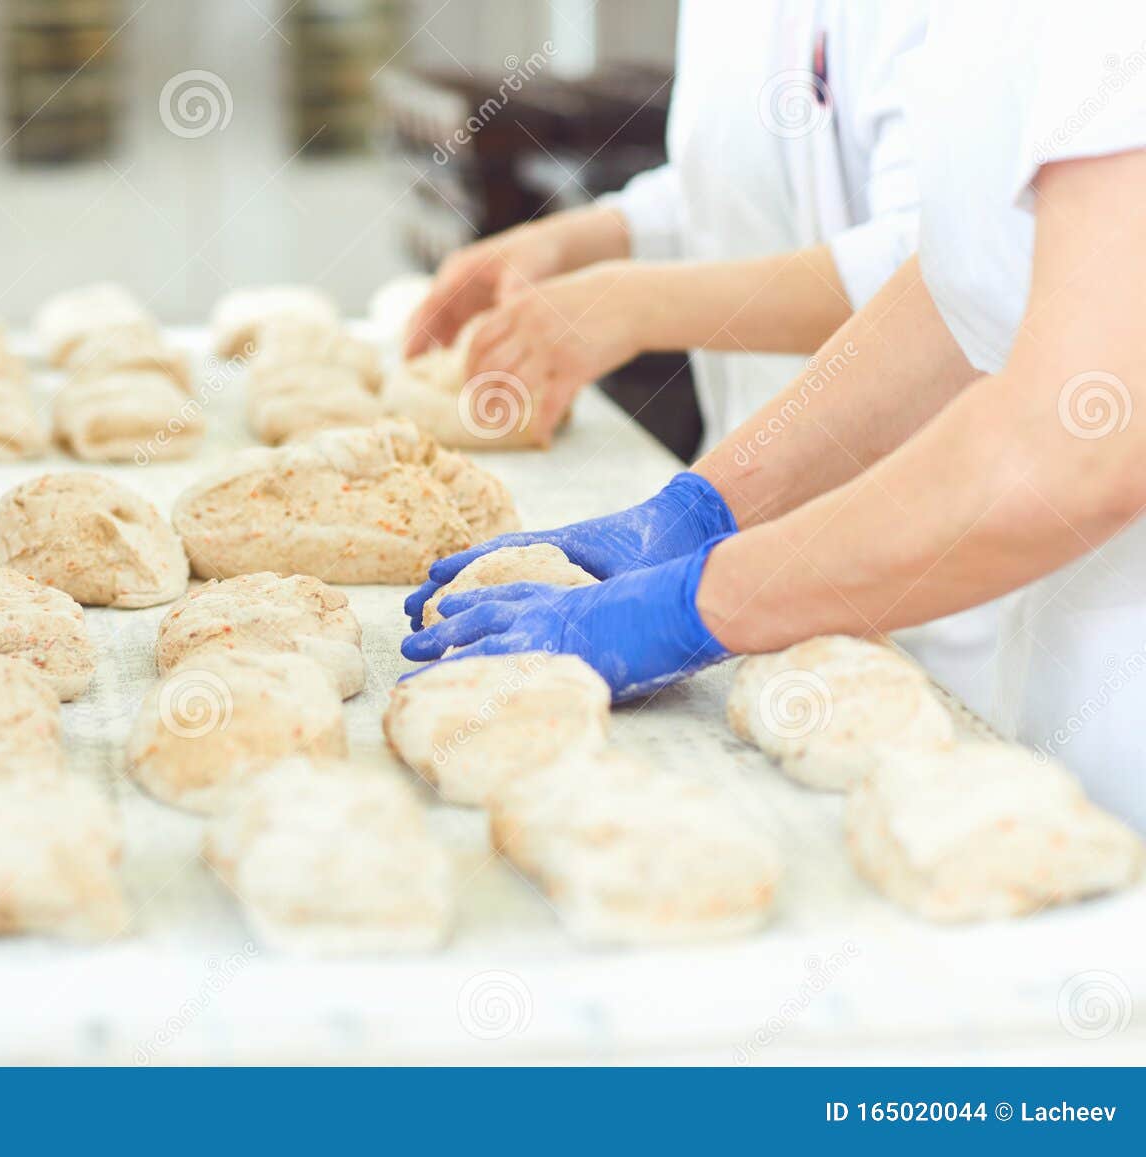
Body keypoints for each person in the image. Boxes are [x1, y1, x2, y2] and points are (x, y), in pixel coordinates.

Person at [402, 2, 1146, 831]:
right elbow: (973, 284)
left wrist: (701, 602)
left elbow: (1079, 443)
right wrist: (707, 508)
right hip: (1066, 697)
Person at [403, 1, 1005, 717]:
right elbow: (726, 175)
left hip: (936, 591)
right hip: (753, 526)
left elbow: (955, 272)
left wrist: (633, 305)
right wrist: (589, 237)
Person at [406, 0, 928, 453]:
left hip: (913, 523)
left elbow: (929, 270)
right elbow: (738, 179)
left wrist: (635, 305)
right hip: (749, 481)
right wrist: (576, 239)